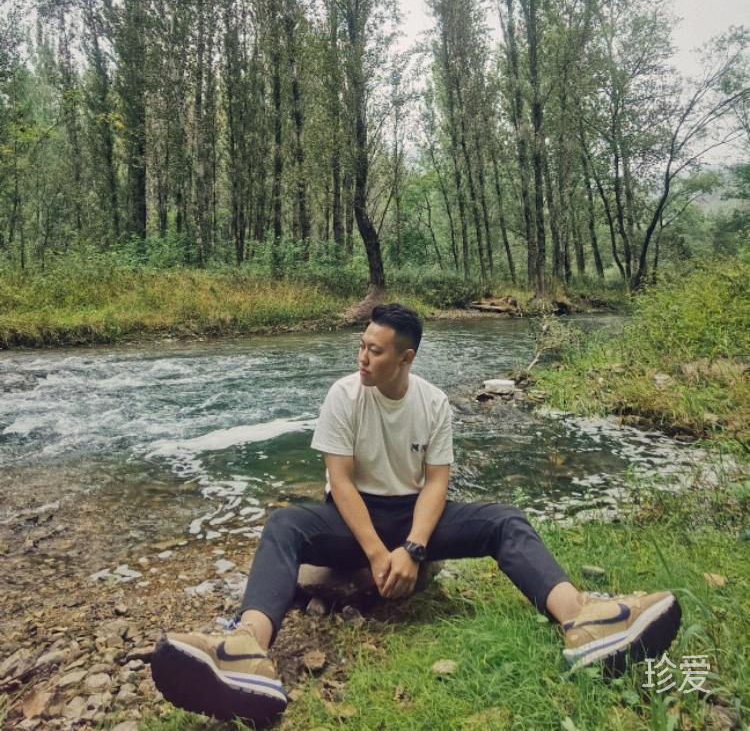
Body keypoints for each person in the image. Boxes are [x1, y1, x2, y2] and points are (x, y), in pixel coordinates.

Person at [151, 303, 681, 727]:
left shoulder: (433, 403)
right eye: (362, 345)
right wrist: (378, 554)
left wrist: (413, 549)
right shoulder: (343, 394)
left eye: (375, 350)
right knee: (283, 525)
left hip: (412, 514)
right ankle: (247, 646)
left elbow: (436, 484)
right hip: (352, 517)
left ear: (405, 358)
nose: (362, 357)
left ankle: (581, 619)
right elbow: (340, 481)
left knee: (503, 520)